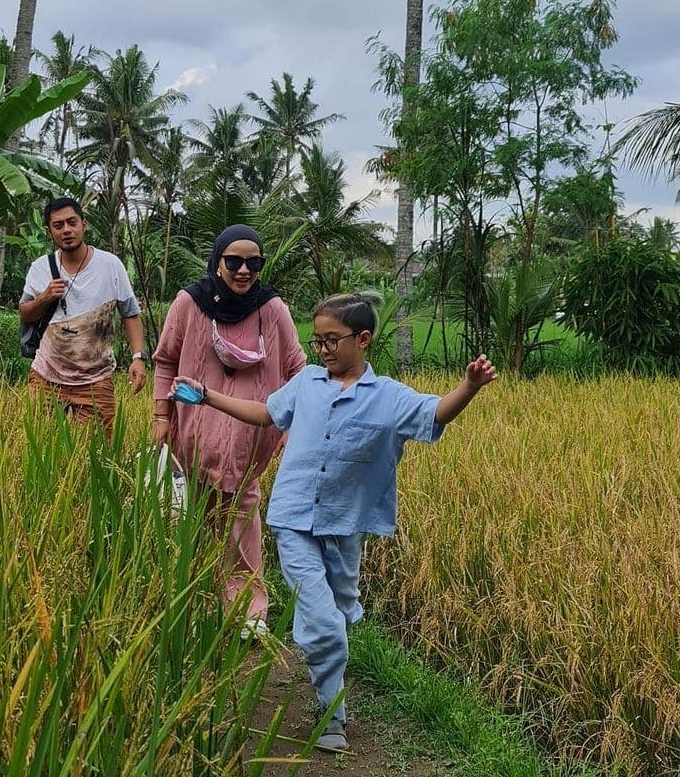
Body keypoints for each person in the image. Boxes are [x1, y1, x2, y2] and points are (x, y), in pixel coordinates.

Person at [169, 292, 498, 753]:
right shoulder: (306, 384)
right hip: (294, 519)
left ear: (362, 340)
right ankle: (332, 715)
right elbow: (267, 413)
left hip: (346, 526)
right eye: (317, 340)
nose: (322, 350)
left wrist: (469, 387)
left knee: (341, 610)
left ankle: (330, 655)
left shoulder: (388, 397)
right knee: (324, 622)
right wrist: (208, 397)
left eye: (331, 341)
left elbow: (434, 414)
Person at [152, 224, 306, 637]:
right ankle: (198, 597)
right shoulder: (190, 303)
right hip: (194, 435)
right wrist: (160, 416)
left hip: (250, 437)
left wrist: (293, 423)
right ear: (217, 262)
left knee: (241, 520)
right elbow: (166, 360)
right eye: (234, 262)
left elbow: (296, 368)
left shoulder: (272, 309)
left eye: (253, 263)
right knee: (198, 519)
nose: (243, 271)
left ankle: (248, 609)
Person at [20, 196, 147, 435]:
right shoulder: (40, 268)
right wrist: (44, 297)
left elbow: (130, 314)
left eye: (72, 222)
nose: (66, 230)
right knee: (40, 451)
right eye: (58, 225)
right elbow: (26, 313)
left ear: (83, 225)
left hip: (96, 381)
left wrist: (138, 357)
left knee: (95, 456)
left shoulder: (111, 265)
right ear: (49, 231)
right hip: (46, 377)